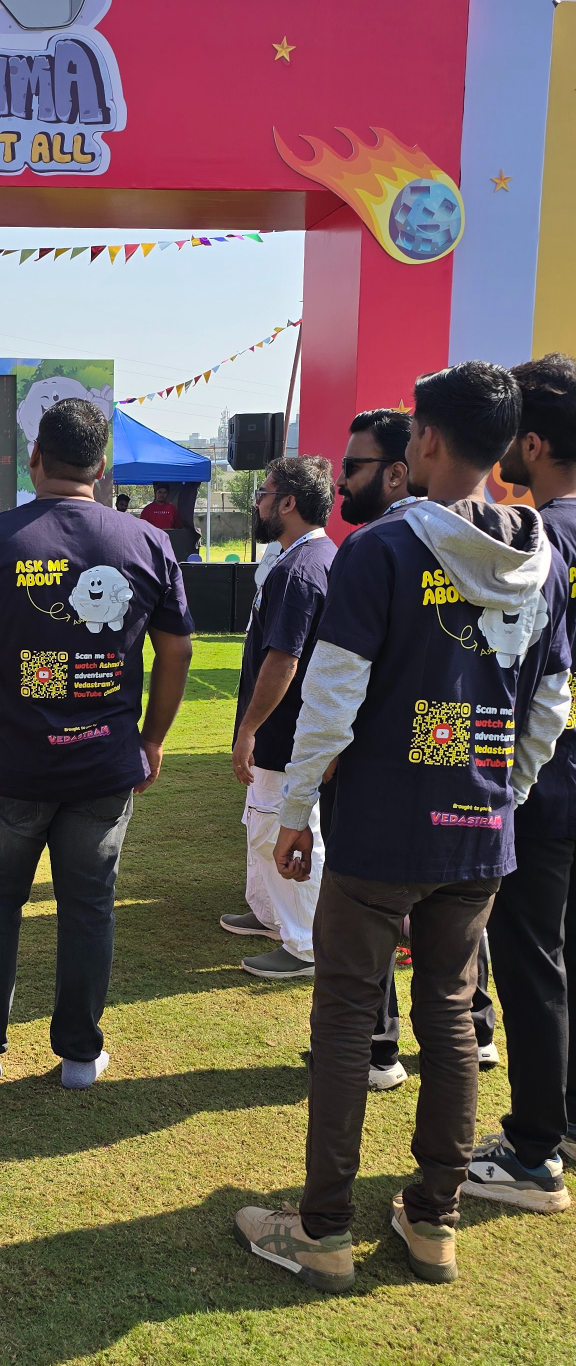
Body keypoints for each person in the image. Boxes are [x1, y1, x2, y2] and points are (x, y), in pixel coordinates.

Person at [234, 363, 571, 1292]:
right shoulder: (542, 558)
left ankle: (324, 1230)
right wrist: (506, 794)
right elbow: (550, 704)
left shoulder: (381, 550)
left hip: (383, 829)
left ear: (425, 438)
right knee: (452, 1016)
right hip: (479, 829)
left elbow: (333, 696)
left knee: (348, 1015)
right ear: (503, 445)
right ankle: (434, 1221)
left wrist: (296, 809)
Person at [0, 397, 193, 1088]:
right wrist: (152, 738)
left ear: (34, 459)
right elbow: (177, 651)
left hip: (10, 764)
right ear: (101, 465)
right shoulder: (148, 542)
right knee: (89, 907)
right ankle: (79, 1055)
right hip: (103, 764)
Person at [329, 409, 498, 1090]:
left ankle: (383, 1047)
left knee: (374, 968)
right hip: (469, 785)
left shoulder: (377, 549)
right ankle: (470, 1031)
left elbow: (336, 690)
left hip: (394, 795)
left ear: (403, 469)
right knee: (452, 977)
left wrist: (306, 785)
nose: (341, 480)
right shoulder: (510, 547)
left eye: (353, 466)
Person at [462, 354, 576, 1213]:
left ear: (531, 444)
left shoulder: (538, 539)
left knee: (531, 958)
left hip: (547, 776)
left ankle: (534, 1151)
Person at [222, 455, 335, 982]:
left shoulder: (299, 569)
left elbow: (283, 660)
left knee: (282, 826)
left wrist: (248, 729)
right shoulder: (308, 560)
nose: (257, 503)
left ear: (288, 503)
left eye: (263, 493)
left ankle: (305, 943)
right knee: (265, 820)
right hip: (290, 730)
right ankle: (271, 916)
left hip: (288, 732)